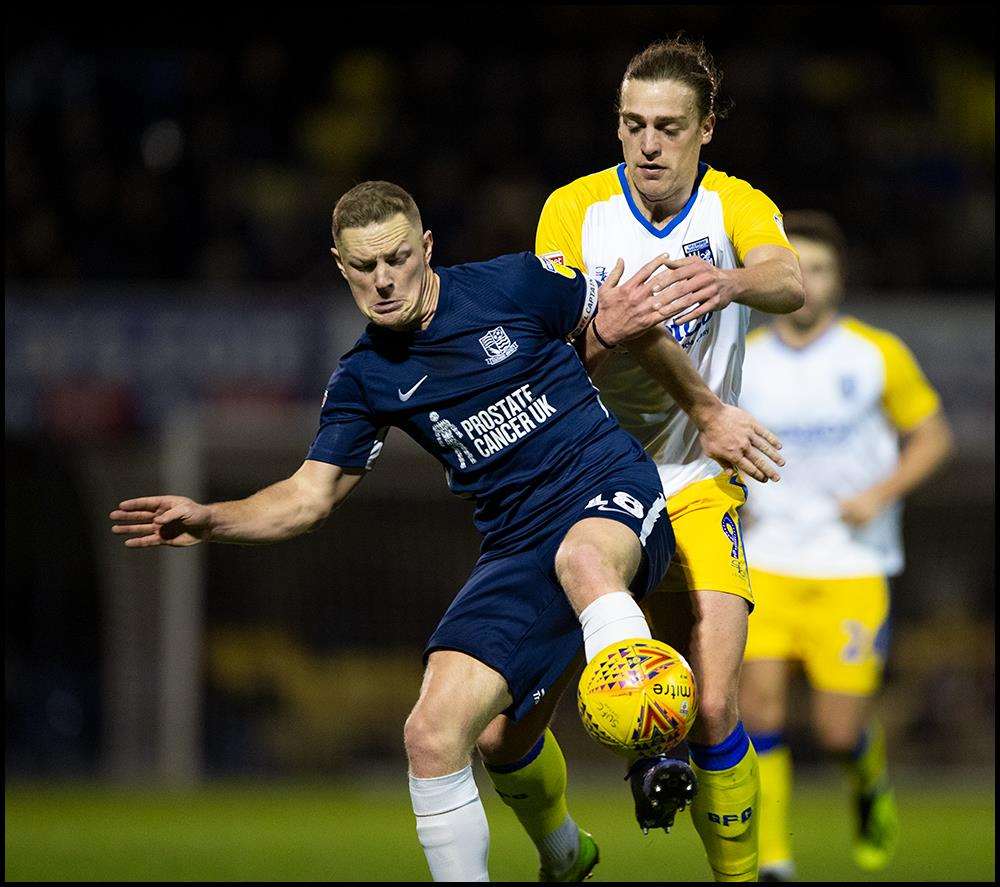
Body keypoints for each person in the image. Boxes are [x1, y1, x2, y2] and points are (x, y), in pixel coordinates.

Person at [110, 180, 782, 883]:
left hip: (608, 486)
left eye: (397, 257)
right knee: (435, 735)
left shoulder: (515, 282)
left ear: (426, 247)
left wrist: (704, 409)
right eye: (363, 267)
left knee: (586, 557)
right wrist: (213, 517)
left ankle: (649, 742)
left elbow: (624, 320)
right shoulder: (364, 378)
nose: (383, 279)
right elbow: (308, 497)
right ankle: (564, 855)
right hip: (518, 546)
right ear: (340, 267)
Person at [491, 36, 805, 883]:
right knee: (502, 730)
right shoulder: (575, 211)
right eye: (632, 125)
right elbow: (547, 352)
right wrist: (614, 326)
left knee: (711, 703)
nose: (648, 144)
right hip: (582, 485)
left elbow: (790, 279)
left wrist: (732, 283)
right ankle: (566, 844)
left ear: (706, 131)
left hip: (698, 483)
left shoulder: (735, 204)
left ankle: (736, 873)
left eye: (669, 126)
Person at [737, 211, 953, 881]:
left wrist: (881, 493)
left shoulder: (875, 353)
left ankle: (867, 780)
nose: (807, 280)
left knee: (835, 730)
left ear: (840, 279)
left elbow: (934, 435)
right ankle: (774, 860)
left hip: (852, 564)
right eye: (795, 267)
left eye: (821, 268)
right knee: (759, 712)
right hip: (766, 559)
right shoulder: (744, 357)